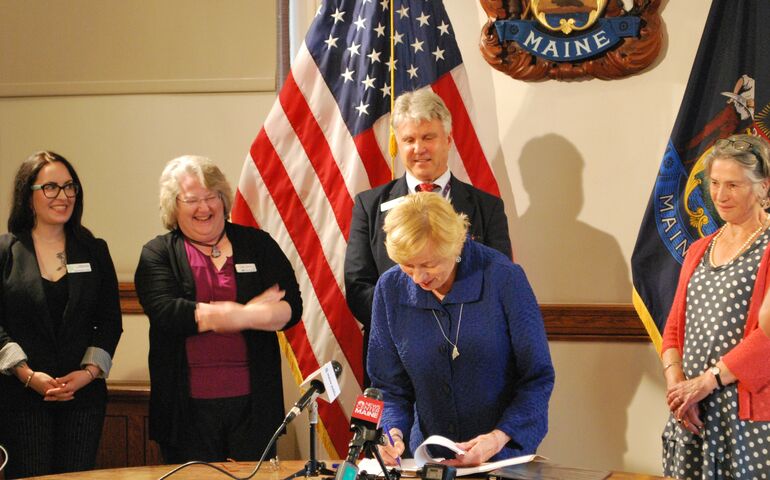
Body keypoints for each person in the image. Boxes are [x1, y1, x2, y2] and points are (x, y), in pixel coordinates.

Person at [134, 155, 302, 463]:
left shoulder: (257, 244)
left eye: (211, 197)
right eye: (192, 200)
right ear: (174, 206)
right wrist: (248, 314)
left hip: (254, 407)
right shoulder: (157, 253)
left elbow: (291, 307)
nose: (204, 207)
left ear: (223, 200)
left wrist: (222, 316)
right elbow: (168, 313)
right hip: (185, 412)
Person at [369, 193, 553, 466]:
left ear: (455, 247)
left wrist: (498, 437)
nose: (419, 277)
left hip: (502, 457)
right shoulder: (390, 288)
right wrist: (392, 433)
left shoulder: (504, 278)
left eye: (429, 265)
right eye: (408, 266)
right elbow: (389, 388)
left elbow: (536, 379)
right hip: (428, 460)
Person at [345, 89, 512, 385]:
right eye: (409, 139)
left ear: (447, 141)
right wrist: (413, 318)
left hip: (469, 354)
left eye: (428, 137)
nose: (418, 148)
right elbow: (358, 285)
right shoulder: (369, 207)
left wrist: (446, 320)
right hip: (396, 357)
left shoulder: (487, 207)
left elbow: (498, 278)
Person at [0, 151, 123, 478]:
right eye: (51, 187)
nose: (64, 196)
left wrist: (88, 373)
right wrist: (27, 375)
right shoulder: (6, 251)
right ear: (29, 196)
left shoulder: (95, 249)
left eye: (70, 187)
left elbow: (110, 320)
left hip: (83, 396)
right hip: (20, 396)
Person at [661, 134, 770, 479]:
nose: (720, 195)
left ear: (764, 187)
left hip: (746, 418)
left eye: (733, 185)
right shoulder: (699, 249)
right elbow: (675, 328)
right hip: (694, 409)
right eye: (715, 183)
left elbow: (767, 337)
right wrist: (678, 388)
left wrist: (707, 382)